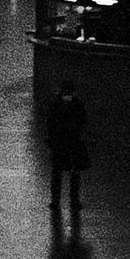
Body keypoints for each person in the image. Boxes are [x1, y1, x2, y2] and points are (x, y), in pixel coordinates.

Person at [46, 79, 89, 212]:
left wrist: (51, 139)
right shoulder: (77, 104)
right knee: (73, 173)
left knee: (58, 173)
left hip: (61, 143)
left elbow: (50, 123)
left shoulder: (56, 104)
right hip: (72, 143)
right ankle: (73, 201)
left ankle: (56, 201)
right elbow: (83, 121)